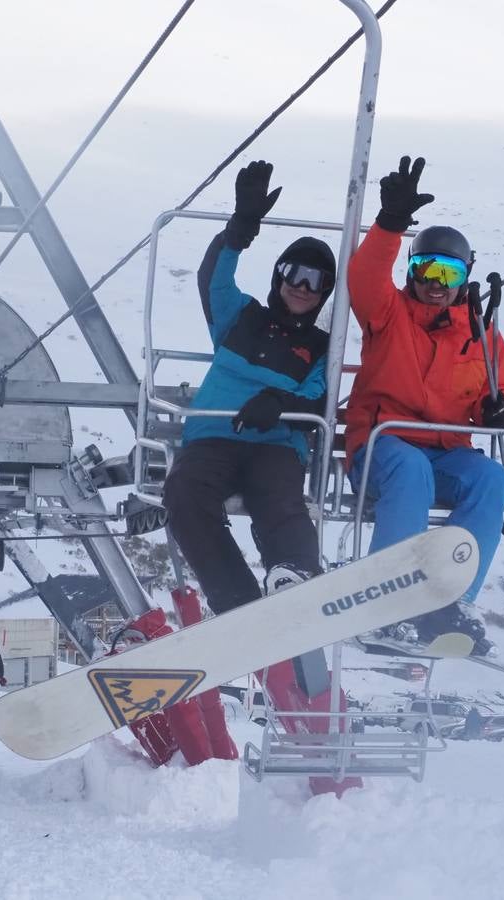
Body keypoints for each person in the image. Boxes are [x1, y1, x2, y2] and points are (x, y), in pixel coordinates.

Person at [345, 156, 504, 658]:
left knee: (492, 480)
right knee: (411, 468)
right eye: (425, 269)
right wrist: (390, 225)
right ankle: (389, 601)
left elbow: (500, 387)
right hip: (382, 448)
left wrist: (495, 410)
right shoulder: (389, 313)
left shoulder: (479, 334)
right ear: (411, 271)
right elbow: (364, 278)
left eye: (449, 271)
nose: (436, 282)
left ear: (464, 277)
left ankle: (447, 601)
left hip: (445, 451)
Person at [163, 160, 334, 613]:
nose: (301, 286)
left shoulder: (320, 347)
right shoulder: (241, 316)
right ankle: (236, 597)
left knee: (279, 496)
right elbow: (212, 278)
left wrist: (278, 404)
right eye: (295, 273)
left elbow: (319, 398)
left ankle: (294, 572)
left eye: (315, 282)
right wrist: (241, 228)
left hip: (275, 443)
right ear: (279, 275)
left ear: (324, 294)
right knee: (184, 492)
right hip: (212, 438)